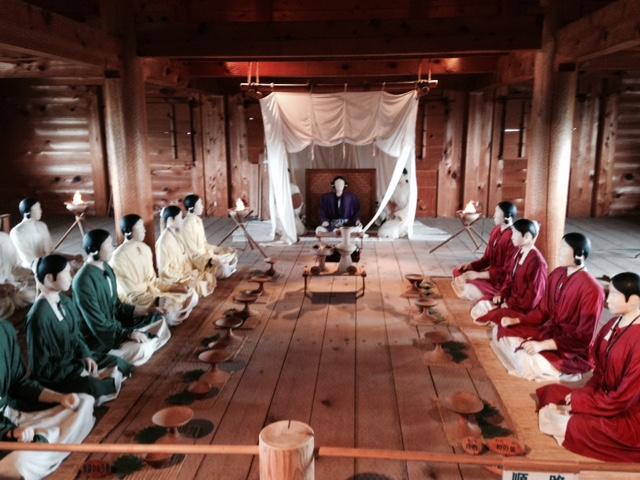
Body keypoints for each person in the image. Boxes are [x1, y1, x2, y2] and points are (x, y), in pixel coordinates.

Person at [536, 272, 640, 462]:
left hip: (626, 413)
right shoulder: (613, 323)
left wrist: (582, 403)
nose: (607, 299)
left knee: (574, 424)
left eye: (614, 294)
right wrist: (585, 395)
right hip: (602, 398)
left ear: (633, 300)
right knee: (552, 392)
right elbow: (599, 371)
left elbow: (623, 400)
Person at [490, 233, 604, 382]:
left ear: (579, 254)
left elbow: (583, 338)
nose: (559, 251)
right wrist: (517, 321)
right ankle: (531, 359)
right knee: (500, 330)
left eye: (564, 248)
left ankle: (564, 371)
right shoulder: (557, 273)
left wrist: (542, 345)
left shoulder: (592, 289)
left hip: (570, 348)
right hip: (549, 331)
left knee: (524, 358)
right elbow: (543, 311)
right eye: (560, 247)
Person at [27, 255, 129, 406]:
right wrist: (81, 370)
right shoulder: (39, 316)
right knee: (93, 386)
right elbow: (42, 369)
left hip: (76, 361)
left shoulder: (65, 301)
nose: (71, 276)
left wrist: (86, 356)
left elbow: (77, 336)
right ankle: (102, 382)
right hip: (59, 375)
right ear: (49, 279)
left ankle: (104, 379)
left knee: (119, 362)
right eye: (66, 273)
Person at [0, 319, 95, 480]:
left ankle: (44, 447)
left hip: (13, 412)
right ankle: (45, 445)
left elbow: (20, 384)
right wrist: (9, 433)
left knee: (84, 402)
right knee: (19, 463)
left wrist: (60, 398)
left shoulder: (4, 331)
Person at [73, 229, 171, 367]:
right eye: (108, 245)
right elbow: (97, 324)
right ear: (94, 250)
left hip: (118, 325)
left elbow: (117, 306)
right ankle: (115, 356)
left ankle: (140, 346)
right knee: (141, 348)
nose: (112, 247)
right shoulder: (83, 281)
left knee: (159, 320)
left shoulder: (106, 268)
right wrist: (127, 334)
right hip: (100, 337)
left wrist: (148, 310)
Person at [110, 214, 198, 326]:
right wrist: (157, 300)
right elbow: (131, 296)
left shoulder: (145, 249)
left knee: (192, 294)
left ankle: (168, 315)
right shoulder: (118, 257)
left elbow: (154, 282)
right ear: (128, 231)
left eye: (143, 226)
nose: (144, 230)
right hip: (140, 301)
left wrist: (175, 287)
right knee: (168, 312)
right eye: (140, 227)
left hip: (155, 293)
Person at [471, 219, 547, 325]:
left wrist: (510, 304)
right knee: (479, 307)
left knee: (486, 315)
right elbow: (509, 278)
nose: (511, 237)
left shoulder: (537, 262)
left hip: (522, 308)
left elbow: (534, 297)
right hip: (510, 300)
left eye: (515, 233)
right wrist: (502, 294)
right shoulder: (518, 252)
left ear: (527, 237)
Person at [452, 201, 518, 301]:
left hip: (501, 281)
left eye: (497, 212)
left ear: (507, 216)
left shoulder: (514, 238)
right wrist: (471, 266)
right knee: (458, 271)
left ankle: (489, 295)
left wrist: (478, 275)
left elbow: (507, 271)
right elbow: (487, 258)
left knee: (468, 285)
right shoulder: (496, 231)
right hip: (490, 274)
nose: (494, 215)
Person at [156, 206, 217, 297]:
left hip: (188, 273)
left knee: (209, 275)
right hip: (176, 279)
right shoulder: (163, 242)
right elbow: (164, 271)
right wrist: (183, 277)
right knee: (199, 285)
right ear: (171, 220)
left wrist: (207, 262)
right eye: (180, 218)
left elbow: (189, 256)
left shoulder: (177, 234)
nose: (182, 221)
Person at [9, 197, 82, 271]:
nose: (40, 211)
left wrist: (72, 257)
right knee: (69, 269)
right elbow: (29, 261)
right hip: (32, 267)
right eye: (37, 209)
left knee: (79, 264)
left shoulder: (42, 226)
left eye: (40, 208)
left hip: (47, 261)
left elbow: (50, 252)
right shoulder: (17, 232)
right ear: (27, 213)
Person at [182, 195, 238, 279]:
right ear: (191, 208)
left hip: (206, 255)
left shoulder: (198, 220)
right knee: (223, 268)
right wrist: (212, 258)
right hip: (197, 260)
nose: (202, 206)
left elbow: (204, 244)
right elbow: (192, 252)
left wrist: (221, 249)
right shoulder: (187, 224)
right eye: (200, 204)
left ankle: (223, 267)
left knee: (232, 254)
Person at [0, 232, 36, 319]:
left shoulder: (4, 240)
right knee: (6, 305)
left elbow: (16, 266)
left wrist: (33, 272)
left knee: (37, 289)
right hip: (4, 296)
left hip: (11, 286)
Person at [378, 168, 411, 239]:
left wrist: (399, 214)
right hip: (394, 215)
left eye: (400, 175)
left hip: (404, 217)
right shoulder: (394, 188)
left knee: (392, 232)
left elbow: (410, 206)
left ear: (405, 175)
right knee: (382, 231)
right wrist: (390, 210)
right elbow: (385, 198)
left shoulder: (409, 188)